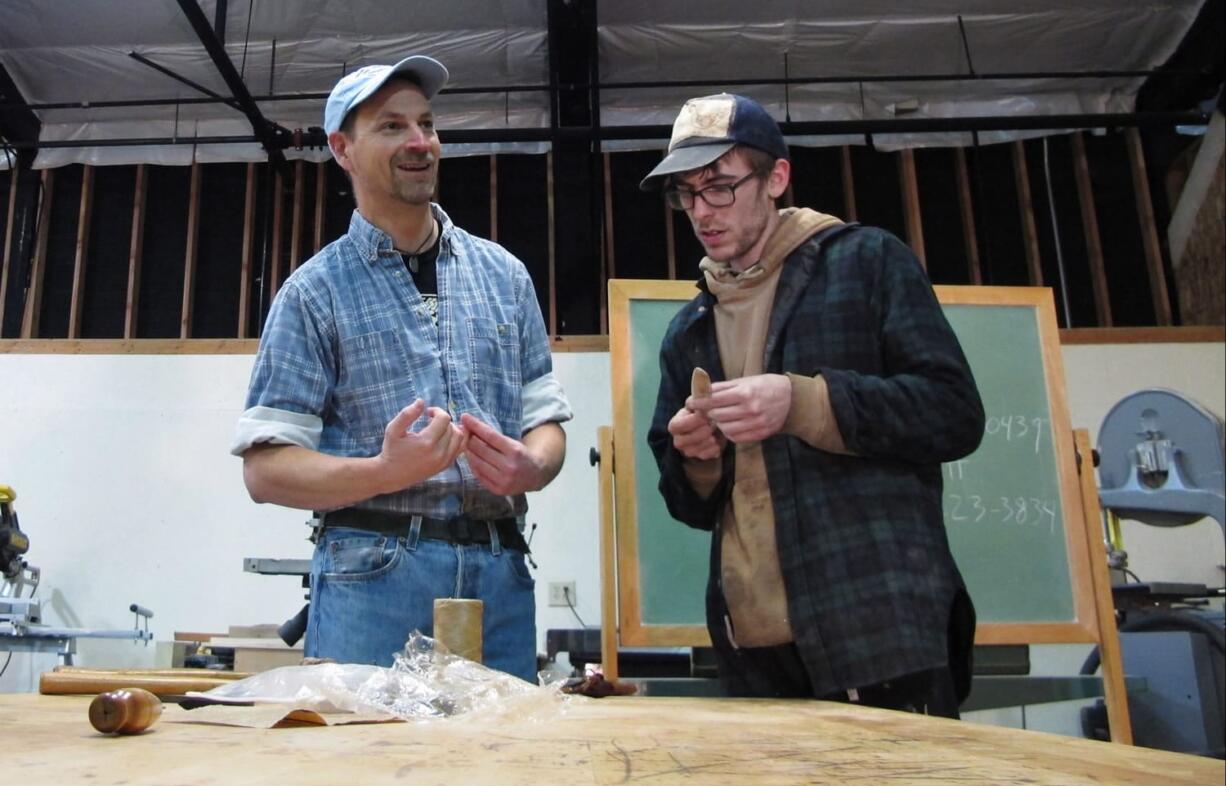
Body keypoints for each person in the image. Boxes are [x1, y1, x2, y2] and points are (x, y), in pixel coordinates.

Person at [641, 93, 984, 717]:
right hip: (753, 647)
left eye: (719, 186)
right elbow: (688, 506)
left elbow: (954, 412)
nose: (700, 211)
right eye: (686, 194)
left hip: (879, 632)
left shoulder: (864, 262)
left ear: (776, 177)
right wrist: (698, 458)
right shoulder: (688, 328)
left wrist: (805, 402)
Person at [231, 55, 571, 683]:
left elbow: (545, 423)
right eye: (391, 127)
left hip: (499, 572)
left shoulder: (506, 275)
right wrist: (383, 472)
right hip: (373, 578)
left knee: (501, 769)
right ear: (343, 149)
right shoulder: (313, 294)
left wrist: (534, 466)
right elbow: (265, 470)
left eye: (427, 124)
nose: (420, 142)